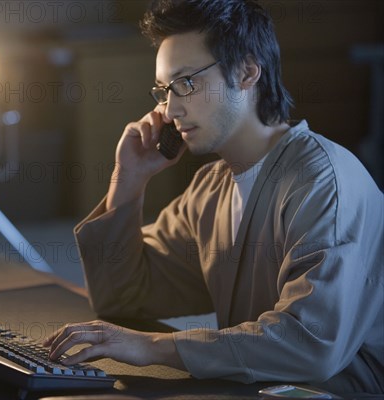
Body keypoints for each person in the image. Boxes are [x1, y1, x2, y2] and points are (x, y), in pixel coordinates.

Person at [43, 0, 384, 394]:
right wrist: (128, 181)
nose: (170, 109)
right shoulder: (211, 188)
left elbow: (310, 344)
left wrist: (152, 347)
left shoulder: (323, 180)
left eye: (185, 83)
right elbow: (124, 299)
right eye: (164, 90)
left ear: (246, 72)